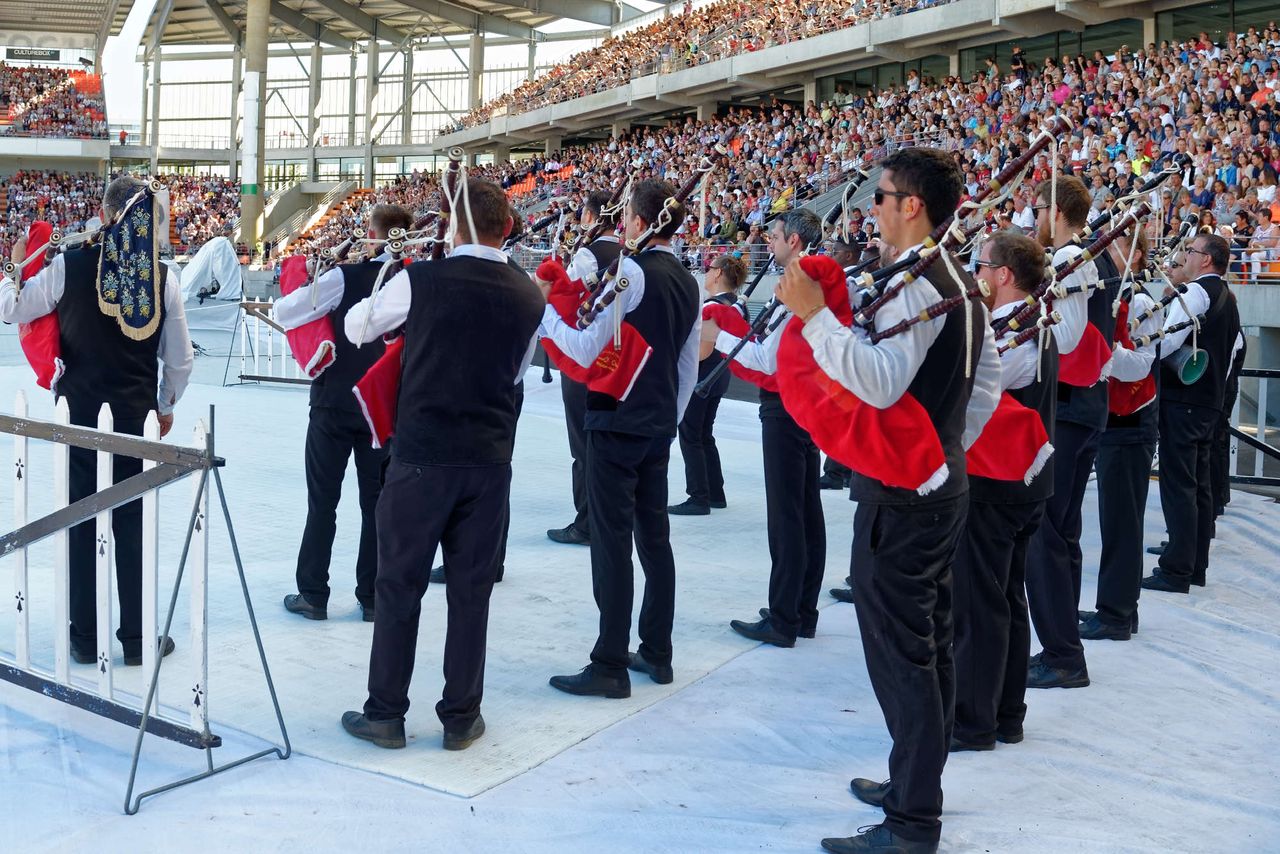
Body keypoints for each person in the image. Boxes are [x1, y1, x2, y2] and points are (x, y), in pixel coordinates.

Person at [776, 147, 1000, 854]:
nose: (870, 206)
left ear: (913, 206)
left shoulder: (919, 286)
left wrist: (816, 318)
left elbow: (877, 382)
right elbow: (985, 385)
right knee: (928, 646)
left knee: (904, 657)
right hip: (937, 483)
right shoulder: (954, 279)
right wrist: (942, 449)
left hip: (905, 496)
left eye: (880, 195)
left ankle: (911, 822)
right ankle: (914, 786)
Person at [339, 178, 544, 751]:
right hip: (489, 459)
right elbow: (516, 372)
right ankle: (461, 715)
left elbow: (358, 327)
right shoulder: (530, 294)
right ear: (508, 228)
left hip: (423, 456)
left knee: (399, 585)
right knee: (471, 593)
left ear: (453, 227)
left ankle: (386, 713)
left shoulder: (421, 279)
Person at [0, 175, 193, 666]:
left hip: (79, 416)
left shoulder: (68, 265)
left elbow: (11, 308)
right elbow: (180, 360)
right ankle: (136, 638)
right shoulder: (164, 278)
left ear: (104, 215)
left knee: (81, 519)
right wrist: (165, 405)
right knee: (132, 522)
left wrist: (13, 264)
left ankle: (85, 637)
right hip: (135, 417)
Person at [540, 178, 700, 699]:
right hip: (656, 424)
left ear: (641, 221)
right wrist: (669, 419)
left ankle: (609, 661)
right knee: (654, 541)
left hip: (616, 420)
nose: (623, 223)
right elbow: (686, 366)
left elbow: (587, 348)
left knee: (612, 544)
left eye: (628, 215)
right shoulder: (689, 279)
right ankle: (657, 649)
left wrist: (546, 315)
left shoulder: (632, 271)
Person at [274, 204, 412, 623]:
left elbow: (286, 311)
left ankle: (313, 593)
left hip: (333, 402)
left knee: (323, 502)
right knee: (377, 505)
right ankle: (371, 597)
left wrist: (318, 275)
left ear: (372, 234)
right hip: (382, 409)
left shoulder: (343, 276)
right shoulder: (415, 281)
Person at [952, 229, 1057, 752]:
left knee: (981, 604)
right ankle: (1005, 713)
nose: (975, 275)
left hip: (997, 481)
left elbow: (971, 388)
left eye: (980, 265)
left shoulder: (1015, 332)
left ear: (1003, 275)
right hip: (1019, 481)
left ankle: (974, 720)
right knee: (1007, 600)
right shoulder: (1031, 322)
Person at [706, 209, 827, 647]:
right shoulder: (803, 281)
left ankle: (784, 617)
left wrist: (719, 336)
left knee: (787, 514)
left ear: (793, 241)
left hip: (787, 407)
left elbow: (768, 360)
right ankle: (801, 609)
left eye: (774, 236)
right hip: (803, 406)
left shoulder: (800, 285)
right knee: (805, 509)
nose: (769, 243)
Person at [1023, 175, 1114, 691]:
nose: (1033, 218)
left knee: (1047, 537)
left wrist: (1022, 324)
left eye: (1038, 209)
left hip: (1069, 410)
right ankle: (1063, 646)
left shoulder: (1069, 258)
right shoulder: (1083, 258)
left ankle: (1062, 654)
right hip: (1081, 408)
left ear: (1055, 212)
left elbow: (1070, 334)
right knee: (1062, 534)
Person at [1143, 232, 1242, 593]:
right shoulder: (1228, 298)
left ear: (1206, 259)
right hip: (1208, 402)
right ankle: (1195, 565)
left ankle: (1176, 569)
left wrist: (1140, 348)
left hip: (1183, 401)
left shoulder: (1195, 292)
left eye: (1191, 250)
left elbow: (1167, 342)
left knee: (1179, 486)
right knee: (1199, 487)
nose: (1186, 255)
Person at [1080, 228, 1161, 640]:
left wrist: (1101, 351)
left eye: (1117, 245)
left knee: (1122, 523)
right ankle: (1118, 607)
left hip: (1131, 423)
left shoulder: (1140, 301)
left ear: (1136, 255)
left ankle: (1115, 613)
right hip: (1118, 421)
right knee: (1115, 520)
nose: (1107, 252)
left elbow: (1141, 366)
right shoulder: (1116, 296)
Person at [547, 190, 622, 546]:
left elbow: (565, 295)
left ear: (591, 217)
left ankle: (587, 522)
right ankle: (609, 516)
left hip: (584, 357)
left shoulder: (587, 254)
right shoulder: (627, 253)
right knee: (609, 442)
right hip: (617, 360)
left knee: (583, 446)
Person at [669, 253, 747, 514]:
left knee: (691, 434)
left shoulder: (713, 306)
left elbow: (703, 350)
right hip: (719, 375)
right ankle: (714, 492)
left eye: (709, 268)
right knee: (704, 434)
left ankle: (698, 496)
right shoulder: (736, 304)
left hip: (703, 376)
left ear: (718, 273)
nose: (706, 272)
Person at [818, 237, 859, 490]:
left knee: (841, 417)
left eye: (836, 252)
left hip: (841, 352)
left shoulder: (846, 279)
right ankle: (844, 470)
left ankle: (835, 471)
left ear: (848, 256)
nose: (831, 255)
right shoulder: (856, 277)